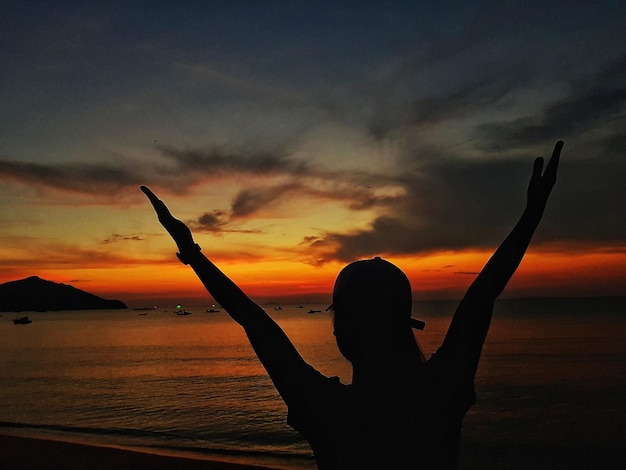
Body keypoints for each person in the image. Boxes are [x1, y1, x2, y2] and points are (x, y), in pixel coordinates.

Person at [141, 140, 563, 469]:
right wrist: (530, 217)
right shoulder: (439, 391)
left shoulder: (327, 409)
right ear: (404, 322)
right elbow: (481, 298)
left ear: (344, 329)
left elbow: (256, 324)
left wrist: (193, 254)